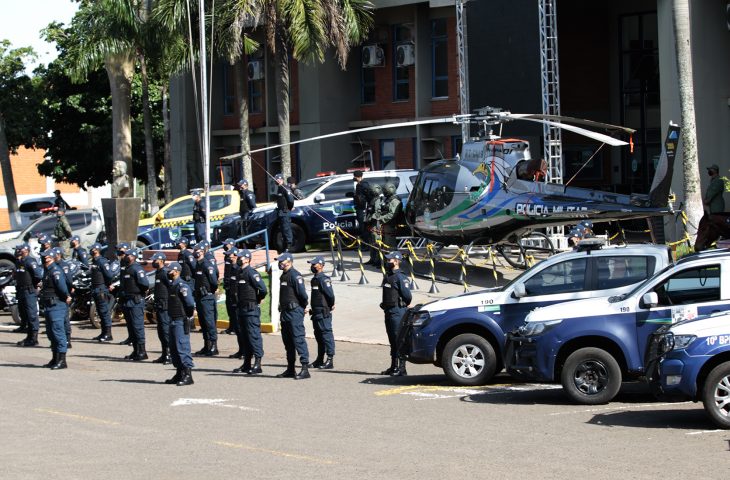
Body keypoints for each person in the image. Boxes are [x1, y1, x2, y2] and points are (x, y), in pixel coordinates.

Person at [232, 248, 268, 375]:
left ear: (247, 259)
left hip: (251, 309)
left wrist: (258, 299)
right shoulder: (239, 272)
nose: (238, 259)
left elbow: (263, 289)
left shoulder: (251, 273)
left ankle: (257, 364)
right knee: (245, 337)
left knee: (253, 336)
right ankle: (246, 364)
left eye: (240, 257)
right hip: (241, 309)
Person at [276, 252, 310, 379]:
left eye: (282, 261)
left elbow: (303, 295)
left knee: (298, 339)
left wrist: (302, 307)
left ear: (289, 261)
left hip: (294, 312)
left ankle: (305, 368)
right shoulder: (283, 276)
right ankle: (290, 369)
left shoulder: (295, 276)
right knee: (288, 342)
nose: (280, 263)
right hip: (285, 313)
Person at [112, 247, 149, 361]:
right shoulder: (126, 268)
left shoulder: (137, 269)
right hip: (127, 301)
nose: (125, 256)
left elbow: (144, 284)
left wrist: (137, 292)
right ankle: (135, 350)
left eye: (128, 255)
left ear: (133, 256)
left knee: (137, 327)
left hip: (136, 301)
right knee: (131, 327)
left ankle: (142, 352)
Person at [380, 251, 412, 376]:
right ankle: (394, 366)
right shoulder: (388, 276)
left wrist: (403, 304)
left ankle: (402, 368)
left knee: (399, 339)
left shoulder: (400, 277)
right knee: (392, 339)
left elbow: (407, 296)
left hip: (398, 312)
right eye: (387, 260)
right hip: (389, 311)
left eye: (390, 260)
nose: (388, 262)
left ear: (397, 261)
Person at [38, 248, 70, 370]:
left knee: (58, 333)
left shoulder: (55, 271)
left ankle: (62, 361)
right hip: (49, 306)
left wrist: (67, 296)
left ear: (50, 258)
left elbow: (62, 288)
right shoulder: (47, 270)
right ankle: (55, 358)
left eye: (45, 257)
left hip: (56, 305)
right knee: (51, 334)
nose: (43, 259)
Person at [164, 262, 196, 386]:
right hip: (173, 319)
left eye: (170, 270)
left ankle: (188, 375)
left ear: (176, 271)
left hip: (180, 320)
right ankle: (179, 373)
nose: (168, 272)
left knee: (182, 347)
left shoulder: (182, 286)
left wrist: (187, 317)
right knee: (174, 348)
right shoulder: (173, 285)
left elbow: (189, 304)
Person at [307, 256, 335, 369]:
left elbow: (330, 295)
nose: (312, 266)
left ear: (321, 265)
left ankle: (330, 359)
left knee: (326, 335)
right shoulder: (314, 279)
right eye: (312, 264)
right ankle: (320, 359)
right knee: (319, 337)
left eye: (314, 264)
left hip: (323, 312)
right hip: (316, 312)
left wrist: (330, 305)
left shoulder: (324, 279)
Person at [13, 243, 43, 347]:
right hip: (21, 291)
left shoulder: (30, 261)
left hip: (29, 291)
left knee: (32, 314)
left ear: (26, 250)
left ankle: (34, 338)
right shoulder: (19, 261)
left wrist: (34, 285)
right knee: (24, 313)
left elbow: (38, 275)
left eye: (20, 249)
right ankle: (29, 336)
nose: (18, 251)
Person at [192, 244, 219, 356]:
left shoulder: (207, 265)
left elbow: (213, 282)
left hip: (207, 297)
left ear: (202, 252)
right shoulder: (197, 265)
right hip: (199, 297)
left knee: (209, 322)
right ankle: (206, 345)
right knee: (203, 322)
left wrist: (209, 292)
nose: (194, 252)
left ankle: (213, 346)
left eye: (196, 251)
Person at [89, 243, 116, 342]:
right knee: (100, 312)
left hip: (101, 290)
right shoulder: (94, 261)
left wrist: (108, 284)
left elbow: (109, 275)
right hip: (96, 289)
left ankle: (108, 334)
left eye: (92, 249)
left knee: (104, 312)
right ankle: (103, 332)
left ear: (96, 250)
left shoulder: (102, 261)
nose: (90, 251)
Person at [151, 252, 172, 365]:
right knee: (161, 332)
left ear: (161, 260)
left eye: (155, 260)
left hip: (165, 306)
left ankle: (170, 354)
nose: (153, 262)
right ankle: (164, 354)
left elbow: (171, 288)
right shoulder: (158, 272)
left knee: (166, 331)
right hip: (159, 305)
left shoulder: (165, 273)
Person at [52, 248, 75, 348]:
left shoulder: (63, 265)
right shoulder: (52, 266)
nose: (54, 256)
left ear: (59, 255)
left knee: (65, 318)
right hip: (56, 294)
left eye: (55, 255)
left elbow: (69, 280)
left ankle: (67, 340)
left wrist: (68, 294)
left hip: (64, 294)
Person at [375, 182, 403, 251]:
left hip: (391, 225)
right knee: (386, 243)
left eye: (385, 191)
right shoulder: (388, 199)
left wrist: (381, 218)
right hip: (387, 224)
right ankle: (388, 258)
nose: (384, 192)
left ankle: (393, 259)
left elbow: (392, 214)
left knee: (390, 243)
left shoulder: (395, 201)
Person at [222, 245, 241, 344]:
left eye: (230, 255)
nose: (229, 257)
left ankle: (234, 327)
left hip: (236, 294)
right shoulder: (230, 262)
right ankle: (232, 327)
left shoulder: (238, 268)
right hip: (230, 289)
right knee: (230, 309)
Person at [274, 173, 295, 252]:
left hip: (285, 211)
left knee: (286, 229)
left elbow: (290, 200)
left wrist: (289, 208)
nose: (276, 181)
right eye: (276, 179)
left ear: (281, 179)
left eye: (278, 179)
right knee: (282, 229)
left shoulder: (285, 188)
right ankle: (285, 246)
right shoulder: (279, 188)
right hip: (280, 212)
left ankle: (289, 246)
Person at [365, 183, 384, 266]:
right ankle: (373, 258)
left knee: (377, 242)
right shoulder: (373, 199)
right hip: (371, 223)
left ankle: (378, 260)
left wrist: (370, 218)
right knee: (371, 242)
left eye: (371, 191)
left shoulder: (379, 200)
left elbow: (377, 213)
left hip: (376, 224)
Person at [353, 171, 370, 244]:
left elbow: (367, 197)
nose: (353, 178)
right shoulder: (360, 184)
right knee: (361, 227)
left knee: (363, 227)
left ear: (357, 177)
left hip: (363, 209)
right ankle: (364, 243)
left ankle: (366, 244)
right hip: (360, 208)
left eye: (354, 176)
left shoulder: (363, 185)